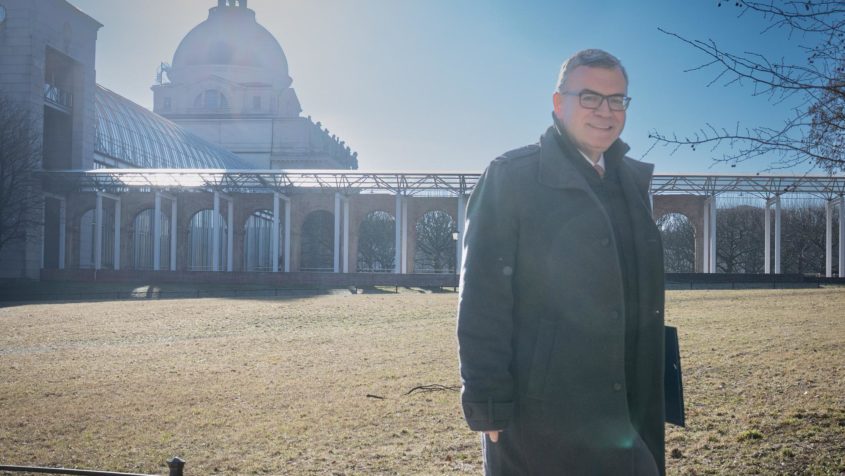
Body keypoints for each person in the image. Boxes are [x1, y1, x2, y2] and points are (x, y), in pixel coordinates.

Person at [457, 49, 666, 475]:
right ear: (558, 103)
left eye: (617, 100)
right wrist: (487, 400)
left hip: (627, 399)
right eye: (589, 97)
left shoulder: (630, 180)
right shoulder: (511, 176)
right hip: (544, 411)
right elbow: (481, 295)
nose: (605, 112)